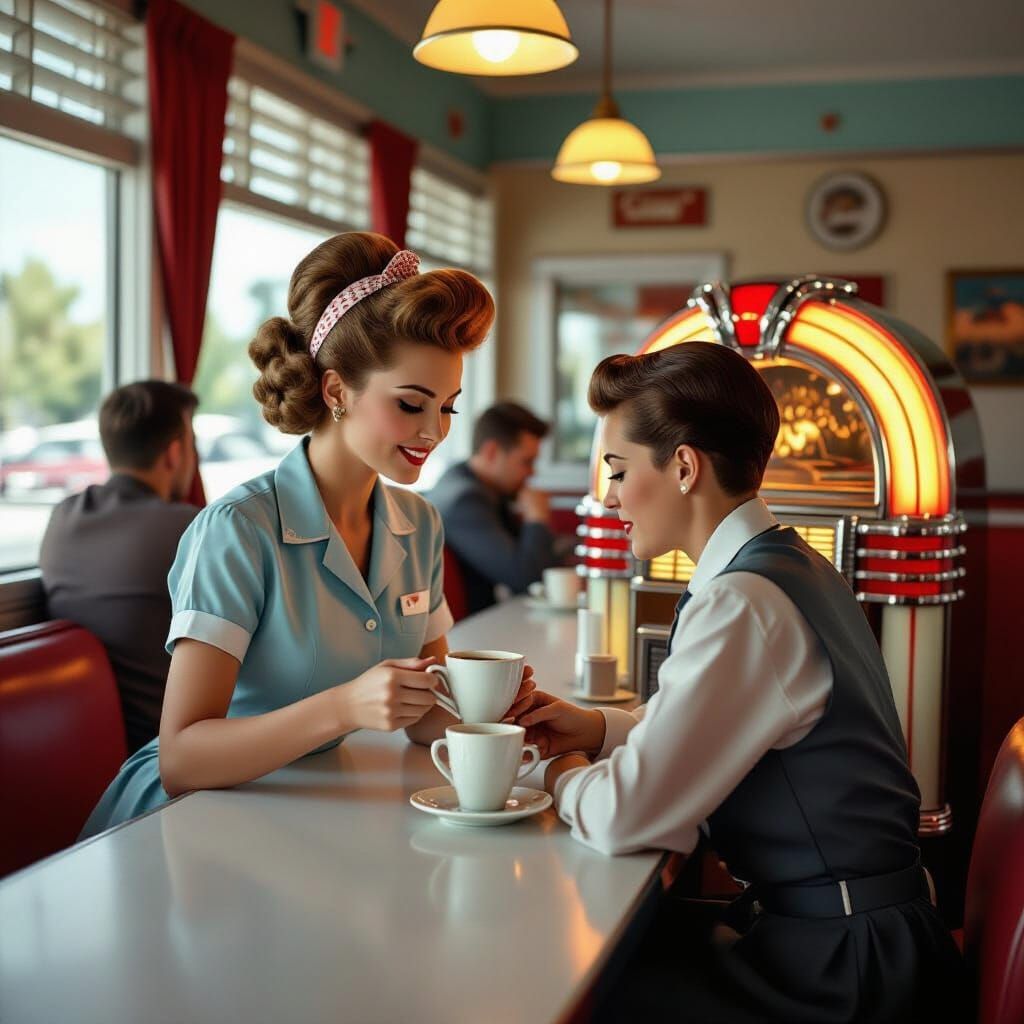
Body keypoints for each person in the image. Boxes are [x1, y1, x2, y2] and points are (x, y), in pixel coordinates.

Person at [517, 342, 966, 1022]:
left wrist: (554, 771)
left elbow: (623, 818)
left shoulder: (743, 603)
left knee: (565, 981)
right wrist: (602, 728)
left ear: (685, 466)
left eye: (617, 470)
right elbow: (728, 722)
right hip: (858, 937)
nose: (607, 498)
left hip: (844, 975)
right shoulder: (791, 564)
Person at [80, 232, 534, 838]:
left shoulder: (419, 524)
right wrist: (345, 707)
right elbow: (182, 758)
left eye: (448, 407)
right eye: (410, 404)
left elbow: (425, 721)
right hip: (183, 824)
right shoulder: (237, 531)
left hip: (310, 811)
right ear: (337, 391)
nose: (434, 431)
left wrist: (491, 701)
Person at [40, 380, 200, 753]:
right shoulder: (188, 530)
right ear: (175, 454)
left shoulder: (63, 519)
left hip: (84, 748)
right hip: (172, 755)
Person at [429, 401, 562, 615]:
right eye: (526, 462)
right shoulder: (465, 500)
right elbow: (525, 579)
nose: (531, 473)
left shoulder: (487, 490)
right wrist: (537, 518)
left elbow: (542, 568)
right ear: (491, 452)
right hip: (467, 636)